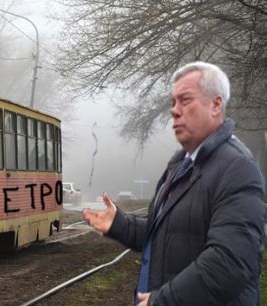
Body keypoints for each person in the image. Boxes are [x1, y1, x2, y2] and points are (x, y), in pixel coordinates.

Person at [83, 62, 265, 306]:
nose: (175, 111)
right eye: (173, 103)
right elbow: (168, 234)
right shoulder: (180, 164)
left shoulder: (237, 167)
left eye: (185, 100)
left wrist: (162, 301)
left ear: (216, 104)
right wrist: (118, 223)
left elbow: (229, 262)